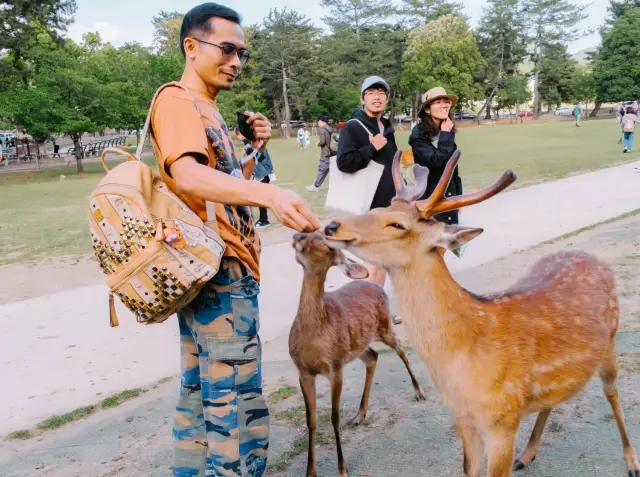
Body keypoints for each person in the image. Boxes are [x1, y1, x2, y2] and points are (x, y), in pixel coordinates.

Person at [150, 4, 320, 476]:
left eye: (241, 52)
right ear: (191, 46)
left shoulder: (206, 107)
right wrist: (271, 192)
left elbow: (218, 185)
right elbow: (186, 175)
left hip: (225, 269)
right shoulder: (177, 101)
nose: (236, 61)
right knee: (233, 395)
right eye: (226, 49)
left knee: (204, 388)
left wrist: (254, 154)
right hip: (219, 274)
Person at [334, 75, 402, 324]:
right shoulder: (353, 126)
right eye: (372, 92)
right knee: (375, 263)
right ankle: (364, 316)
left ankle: (374, 314)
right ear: (362, 98)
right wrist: (372, 147)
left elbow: (391, 163)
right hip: (367, 206)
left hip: (388, 205)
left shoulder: (386, 126)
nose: (377, 97)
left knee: (382, 264)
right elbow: (344, 163)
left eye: (382, 93)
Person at [409, 86, 462, 226]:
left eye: (446, 102)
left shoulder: (446, 128)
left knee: (453, 242)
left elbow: (453, 168)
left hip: (450, 196)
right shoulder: (418, 135)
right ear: (427, 109)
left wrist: (459, 198)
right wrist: (445, 135)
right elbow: (436, 162)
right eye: (438, 102)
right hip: (430, 199)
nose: (444, 105)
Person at [236, 127, 276, 229]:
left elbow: (259, 157)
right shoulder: (249, 143)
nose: (238, 137)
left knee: (261, 197)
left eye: (239, 134)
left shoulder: (253, 143)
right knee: (260, 197)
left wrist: (247, 154)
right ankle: (261, 219)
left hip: (262, 173)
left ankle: (264, 220)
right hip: (260, 173)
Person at [307, 115, 334, 192]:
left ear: (322, 122)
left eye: (318, 121)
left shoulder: (322, 129)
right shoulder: (330, 129)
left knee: (322, 169)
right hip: (332, 152)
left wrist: (318, 143)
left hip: (325, 152)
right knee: (331, 170)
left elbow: (322, 142)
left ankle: (316, 186)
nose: (317, 123)